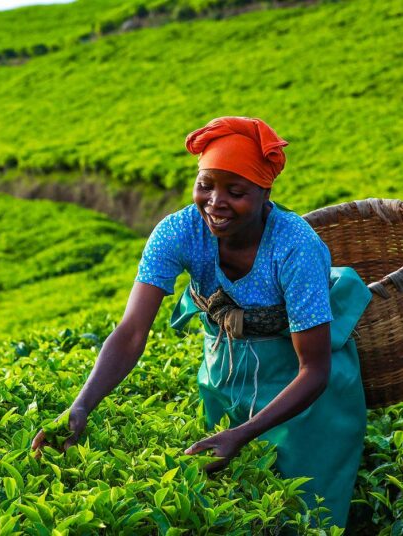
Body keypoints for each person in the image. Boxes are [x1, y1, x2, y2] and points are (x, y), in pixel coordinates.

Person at [31, 116, 370, 529]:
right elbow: (132, 332)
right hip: (226, 384)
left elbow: (315, 370)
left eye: (236, 191)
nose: (215, 201)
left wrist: (240, 435)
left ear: (266, 193)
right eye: (205, 184)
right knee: (237, 510)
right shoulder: (178, 232)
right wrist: (81, 405)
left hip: (307, 404)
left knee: (306, 515)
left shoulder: (295, 246)